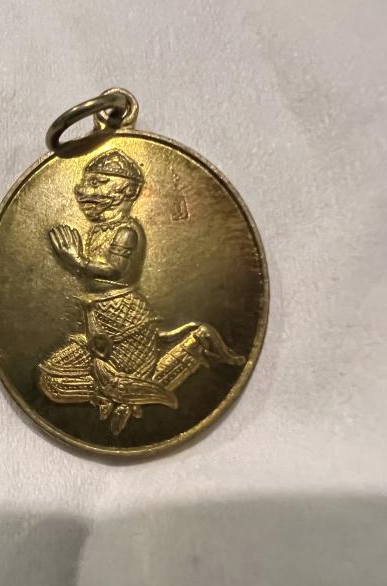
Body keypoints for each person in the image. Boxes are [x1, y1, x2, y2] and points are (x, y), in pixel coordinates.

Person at [37, 149, 244, 434]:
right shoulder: (99, 229)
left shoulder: (127, 231)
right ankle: (119, 394)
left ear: (126, 191)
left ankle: (192, 346)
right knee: (51, 380)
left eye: (98, 183)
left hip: (125, 318)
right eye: (86, 182)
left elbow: (114, 269)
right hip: (98, 319)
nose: (83, 190)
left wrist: (77, 261)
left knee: (118, 373)